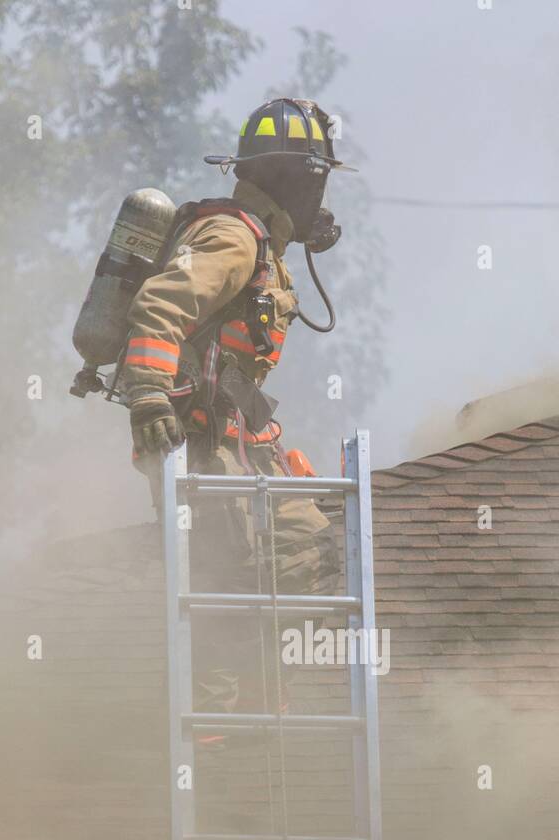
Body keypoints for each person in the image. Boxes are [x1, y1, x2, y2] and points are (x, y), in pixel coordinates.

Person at [122, 97, 347, 725]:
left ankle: (254, 690)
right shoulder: (231, 236)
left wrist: (291, 233)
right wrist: (146, 395)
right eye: (316, 178)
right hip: (195, 438)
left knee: (306, 547)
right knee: (223, 576)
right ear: (294, 178)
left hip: (237, 435)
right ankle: (214, 734)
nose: (320, 193)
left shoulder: (259, 240)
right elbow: (158, 308)